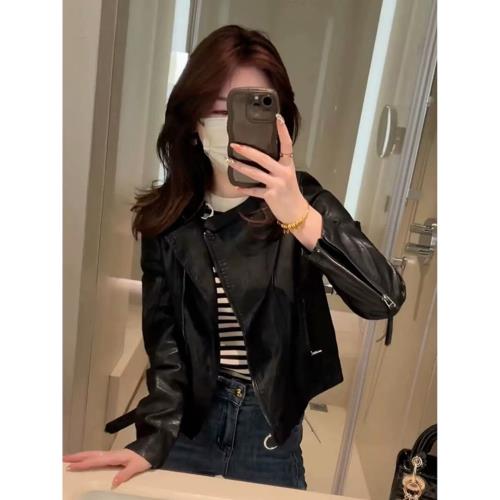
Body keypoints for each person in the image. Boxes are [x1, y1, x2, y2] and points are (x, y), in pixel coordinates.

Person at [63, 25, 406, 491]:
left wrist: (299, 217)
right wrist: (155, 436)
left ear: (278, 119)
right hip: (191, 423)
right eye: (221, 109)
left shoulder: (304, 202)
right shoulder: (168, 217)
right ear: (193, 120)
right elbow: (166, 343)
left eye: (253, 107)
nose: (232, 124)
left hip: (267, 433)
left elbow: (384, 298)